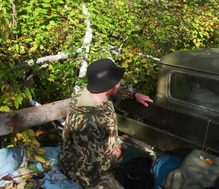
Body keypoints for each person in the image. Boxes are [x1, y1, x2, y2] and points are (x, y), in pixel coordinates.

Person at [58, 58, 154, 189]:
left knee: (148, 158)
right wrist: (115, 156)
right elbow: (91, 169)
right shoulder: (87, 124)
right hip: (82, 169)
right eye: (117, 82)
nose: (120, 84)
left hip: (107, 147)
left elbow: (119, 88)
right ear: (109, 87)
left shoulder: (97, 93)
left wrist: (135, 94)